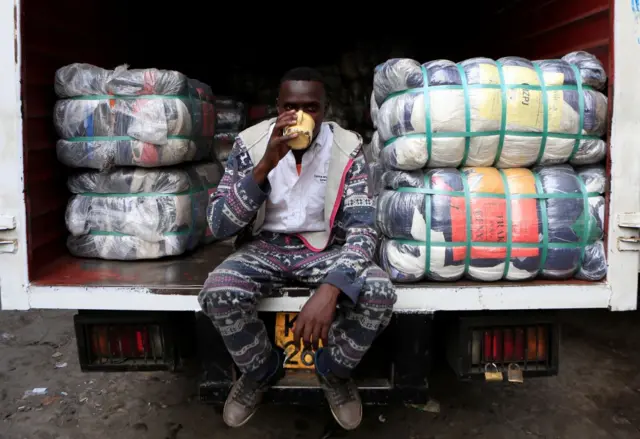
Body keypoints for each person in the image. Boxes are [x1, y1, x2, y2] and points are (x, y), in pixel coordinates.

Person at [198, 67, 397, 430]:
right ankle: (260, 371)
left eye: (312, 107)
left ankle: (333, 372)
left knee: (379, 291)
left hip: (323, 249)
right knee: (219, 290)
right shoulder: (250, 143)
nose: (301, 116)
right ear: (278, 107)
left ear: (326, 108)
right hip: (264, 247)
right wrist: (264, 167)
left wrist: (332, 286)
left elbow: (363, 227)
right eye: (290, 107)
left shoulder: (347, 146)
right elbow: (219, 224)